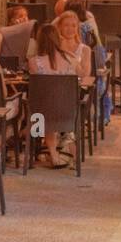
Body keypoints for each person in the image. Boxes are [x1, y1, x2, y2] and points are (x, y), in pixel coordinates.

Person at [27, 22, 80, 167]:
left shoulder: (34, 62)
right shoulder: (70, 60)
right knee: (52, 105)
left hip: (41, 114)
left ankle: (51, 153)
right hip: (67, 111)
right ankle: (59, 153)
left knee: (42, 107)